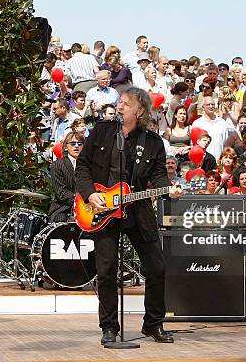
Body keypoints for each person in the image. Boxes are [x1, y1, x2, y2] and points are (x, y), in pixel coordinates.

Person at [76, 86, 181, 345]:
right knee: (107, 270)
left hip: (136, 209)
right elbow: (83, 166)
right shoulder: (101, 131)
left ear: (140, 110)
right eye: (119, 102)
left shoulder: (153, 142)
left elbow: (157, 177)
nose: (119, 106)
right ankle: (109, 327)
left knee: (156, 267)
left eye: (126, 103)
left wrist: (169, 190)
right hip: (101, 209)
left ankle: (153, 324)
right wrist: (90, 194)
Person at [48, 132, 84, 222]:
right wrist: (82, 201)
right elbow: (62, 193)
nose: (76, 146)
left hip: (87, 208)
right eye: (72, 143)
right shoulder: (57, 165)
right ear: (65, 147)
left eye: (80, 144)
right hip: (63, 209)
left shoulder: (89, 165)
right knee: (61, 219)